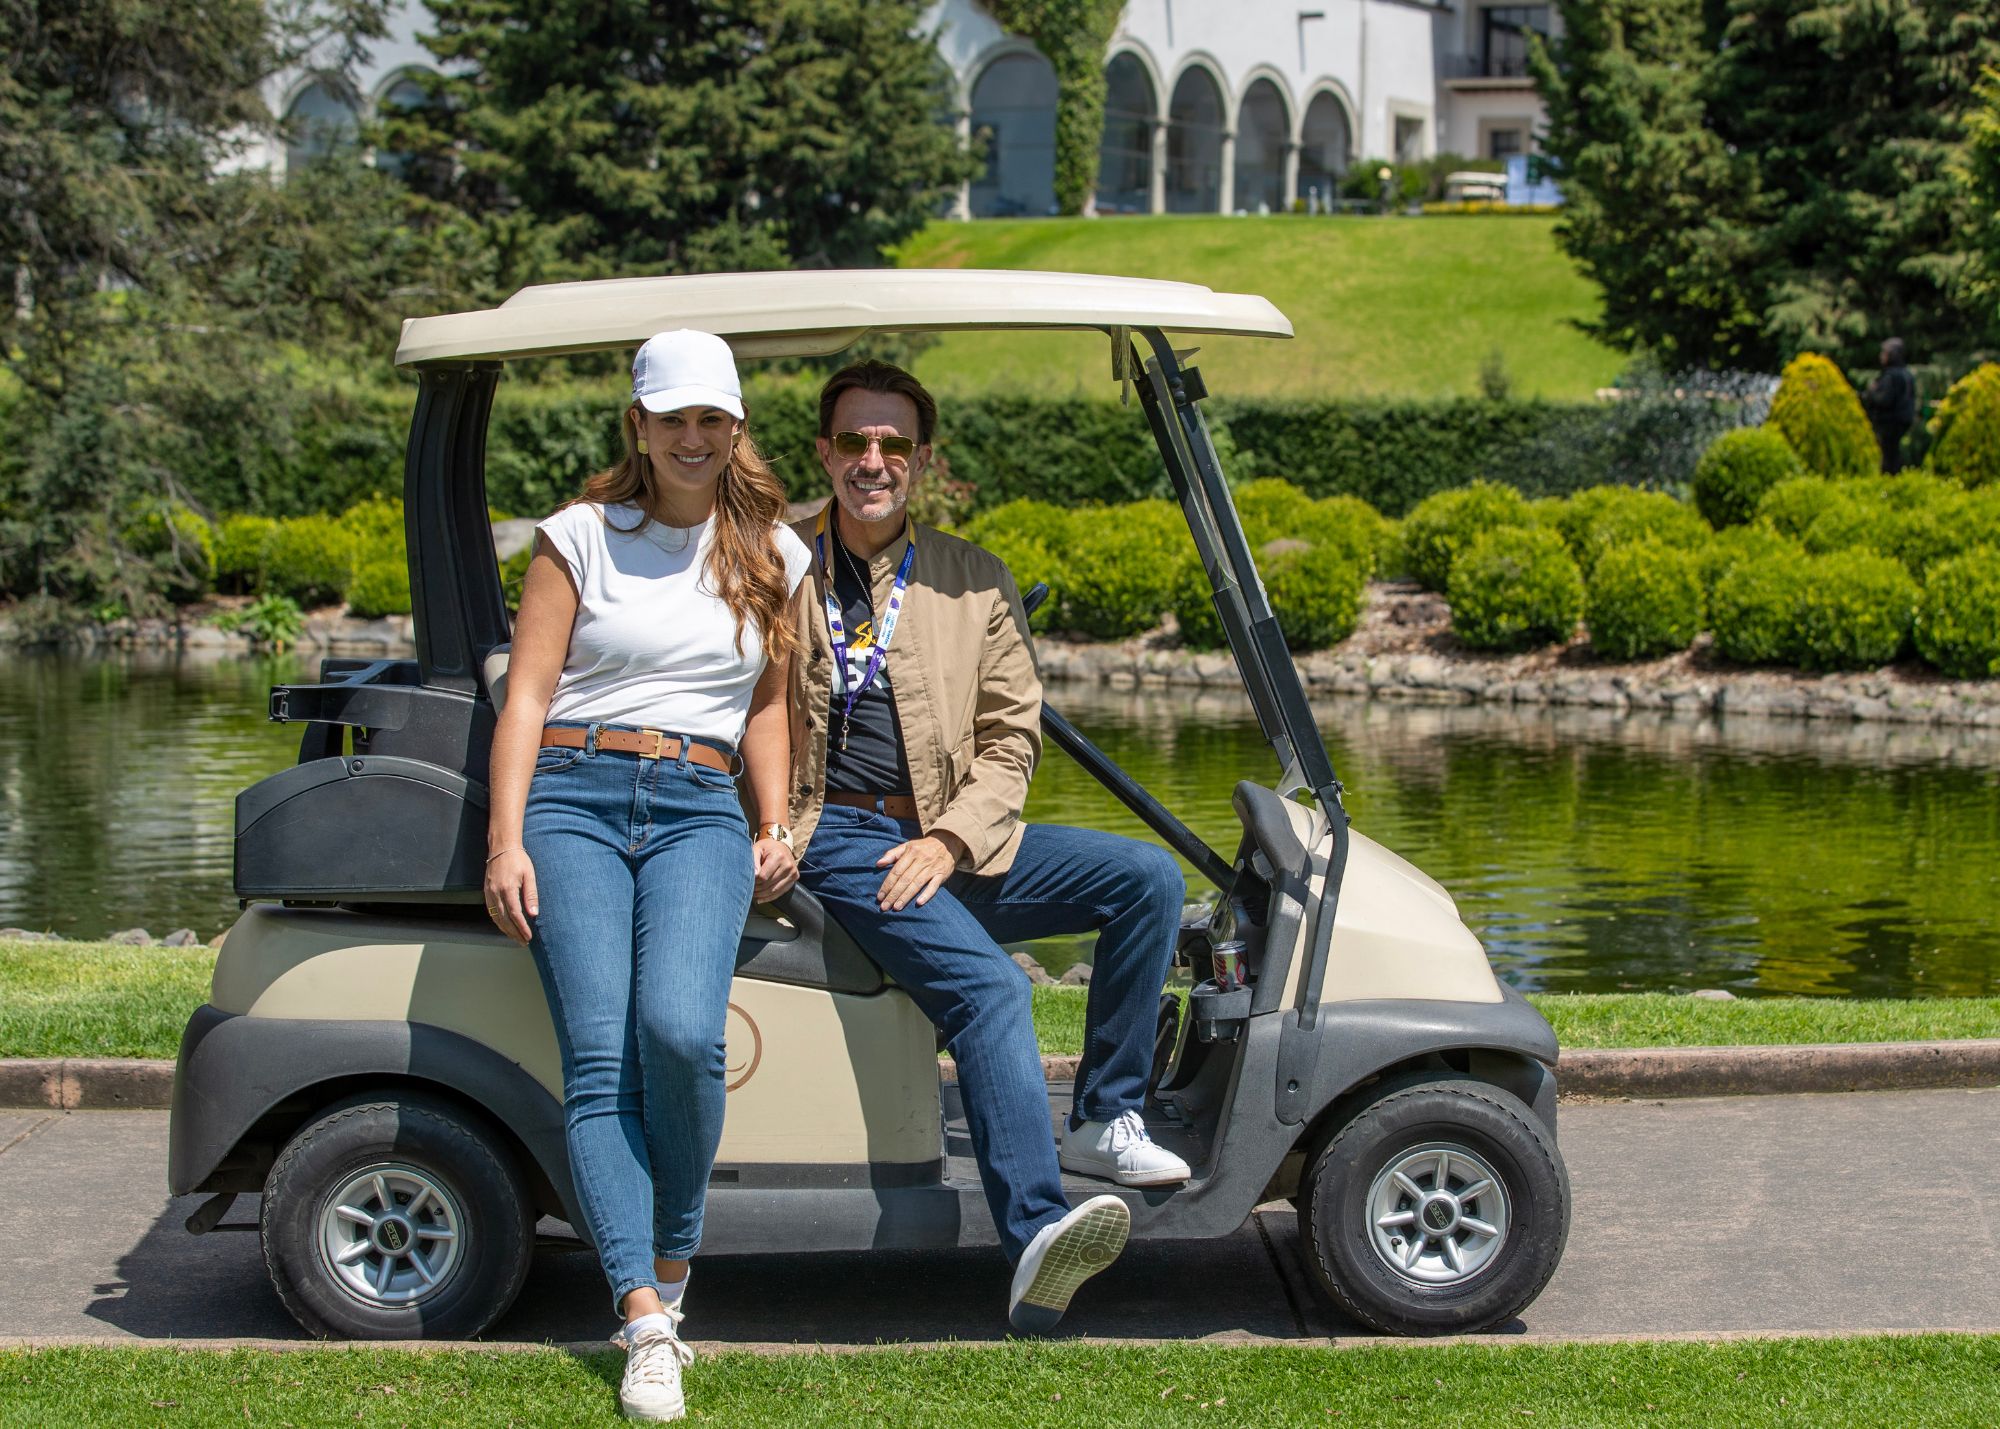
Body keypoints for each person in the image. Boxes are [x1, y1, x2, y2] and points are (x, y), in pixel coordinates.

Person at [784, 359, 1192, 1336]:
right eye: (853, 442)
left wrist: (952, 835)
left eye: (891, 444)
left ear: (921, 460)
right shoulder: (773, 565)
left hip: (946, 830)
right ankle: (1036, 1233)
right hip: (834, 832)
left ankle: (1106, 1112)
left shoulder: (973, 578)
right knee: (992, 988)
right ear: (824, 454)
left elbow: (1013, 736)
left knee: (1146, 879)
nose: (871, 461)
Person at [484, 329, 810, 1422]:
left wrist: (773, 818)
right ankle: (642, 1319)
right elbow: (525, 697)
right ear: (637, 425)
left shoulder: (773, 551)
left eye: (708, 418)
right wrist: (505, 836)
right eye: (670, 417)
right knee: (599, 1059)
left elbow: (766, 706)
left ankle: (672, 1263)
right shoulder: (577, 537)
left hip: (696, 808)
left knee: (679, 1032)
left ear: (733, 428)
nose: (690, 436)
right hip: (573, 798)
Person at [1863, 337, 1918, 474]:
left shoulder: (1891, 376)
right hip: (1903, 420)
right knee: (1894, 453)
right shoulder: (1906, 374)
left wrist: (1870, 393)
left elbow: (1884, 400)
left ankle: (1889, 482)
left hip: (1889, 422)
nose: (1881, 356)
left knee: (1888, 456)